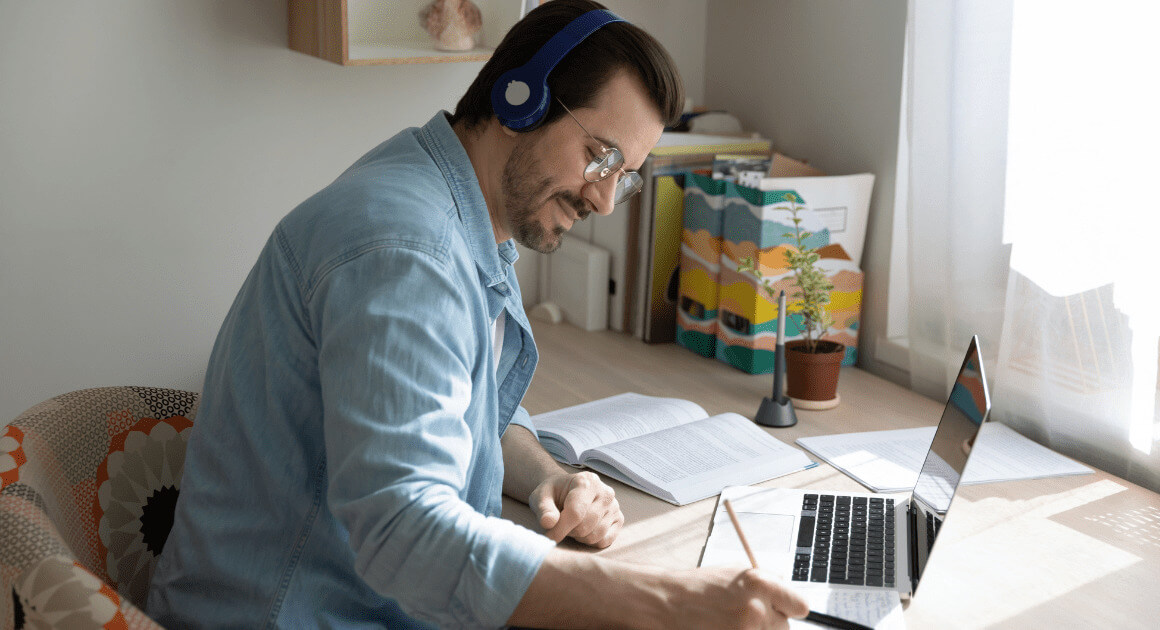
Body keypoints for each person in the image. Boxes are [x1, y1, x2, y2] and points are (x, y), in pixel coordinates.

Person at [147, 1, 810, 628]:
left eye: (626, 175)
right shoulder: (407, 252)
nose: (606, 200)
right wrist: (666, 601)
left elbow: (464, 404)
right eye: (601, 157)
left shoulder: (452, 206)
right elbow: (403, 532)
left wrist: (550, 475)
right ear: (519, 98)